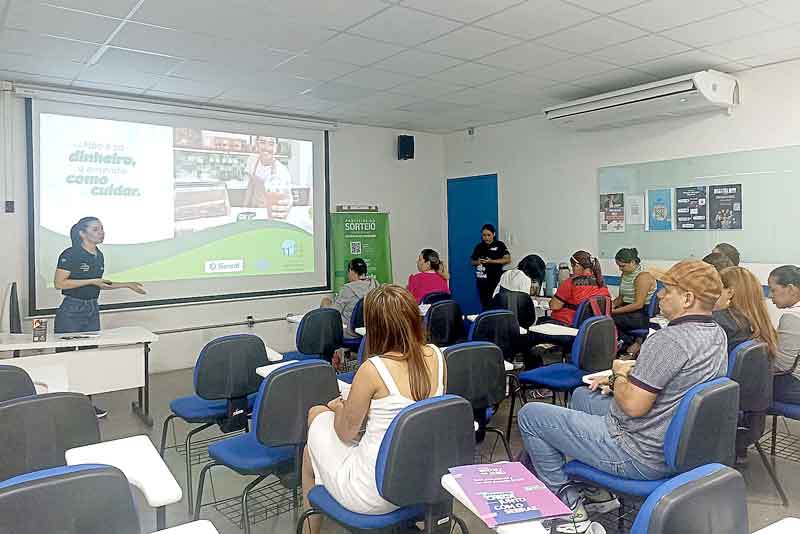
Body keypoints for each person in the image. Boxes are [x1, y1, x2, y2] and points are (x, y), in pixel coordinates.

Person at [517, 260, 727, 533]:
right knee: (582, 395)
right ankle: (598, 493)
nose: (660, 295)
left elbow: (634, 406)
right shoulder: (716, 334)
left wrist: (618, 375)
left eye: (668, 290)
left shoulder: (669, 340)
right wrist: (624, 380)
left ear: (687, 299)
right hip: (674, 445)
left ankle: (569, 511)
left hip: (637, 453)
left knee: (531, 416)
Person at [302, 285, 446, 534]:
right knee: (312, 448)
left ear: (375, 327)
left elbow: (345, 433)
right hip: (422, 480)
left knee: (315, 420)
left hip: (376, 493)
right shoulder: (437, 356)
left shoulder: (373, 369)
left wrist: (339, 407)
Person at [54, 217, 146, 418]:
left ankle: (86, 405)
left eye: (102, 228)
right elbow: (60, 283)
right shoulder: (70, 254)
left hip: (92, 309)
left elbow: (100, 283)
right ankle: (64, 407)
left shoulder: (99, 255)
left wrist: (127, 284)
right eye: (96, 229)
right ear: (82, 233)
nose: (101, 232)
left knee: (89, 358)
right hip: (72, 309)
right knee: (66, 359)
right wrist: (91, 281)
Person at [713, 266, 778, 355]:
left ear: (730, 292)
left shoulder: (718, 320)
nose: (712, 295)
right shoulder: (760, 322)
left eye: (716, 290)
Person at [611, 248, 656, 352]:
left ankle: (628, 344)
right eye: (618, 266)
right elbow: (621, 298)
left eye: (622, 266)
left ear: (632, 262)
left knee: (609, 319)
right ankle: (625, 344)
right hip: (626, 309)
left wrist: (614, 311)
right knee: (602, 316)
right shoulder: (625, 275)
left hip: (640, 313)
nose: (620, 269)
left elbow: (638, 304)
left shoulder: (643, 276)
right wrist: (610, 306)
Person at [549, 251, 610, 326]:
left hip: (567, 324)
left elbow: (554, 306)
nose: (572, 270)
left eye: (572, 267)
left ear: (577, 266)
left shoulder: (570, 282)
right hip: (592, 327)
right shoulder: (601, 283)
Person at [321, 258, 378, 338]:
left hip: (350, 332)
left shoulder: (348, 289)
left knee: (325, 302)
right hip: (370, 331)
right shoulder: (375, 285)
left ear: (351, 271)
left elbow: (333, 313)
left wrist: (326, 303)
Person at [769, 265, 800, 403]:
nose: (770, 295)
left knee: (748, 385)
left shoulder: (792, 317)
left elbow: (782, 366)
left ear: (791, 289)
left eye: (773, 290)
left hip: (794, 384)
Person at [243, 135, 293, 219]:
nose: (267, 148)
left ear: (276, 147)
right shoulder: (252, 160)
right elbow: (250, 186)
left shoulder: (282, 171)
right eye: (262, 142)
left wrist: (287, 206)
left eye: (271, 144)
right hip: (253, 210)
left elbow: (287, 199)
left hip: (269, 214)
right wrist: (244, 208)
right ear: (257, 144)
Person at [470, 224, 510, 310]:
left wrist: (491, 261)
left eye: (489, 235)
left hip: (496, 281)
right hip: (482, 281)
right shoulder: (479, 247)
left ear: (494, 234)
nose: (486, 237)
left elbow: (507, 259)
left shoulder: (500, 245)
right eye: (484, 235)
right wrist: (478, 262)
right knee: (485, 306)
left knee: (496, 305)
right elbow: (472, 261)